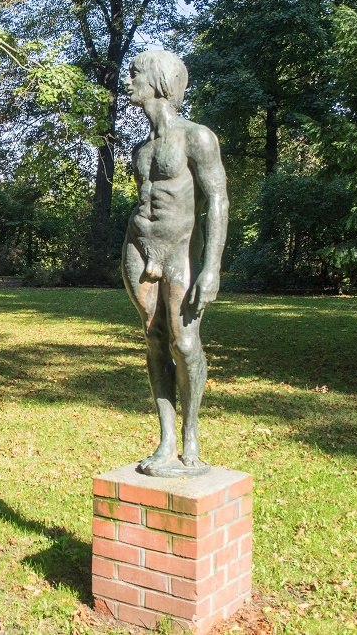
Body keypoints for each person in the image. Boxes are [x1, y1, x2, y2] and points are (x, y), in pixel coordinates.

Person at [122, 50, 229, 477]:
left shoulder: (198, 137)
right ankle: (166, 440)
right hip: (138, 246)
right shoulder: (139, 147)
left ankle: (191, 438)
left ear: (160, 81)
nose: (129, 81)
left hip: (181, 250)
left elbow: (217, 199)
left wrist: (213, 265)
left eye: (135, 74)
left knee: (184, 343)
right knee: (153, 339)